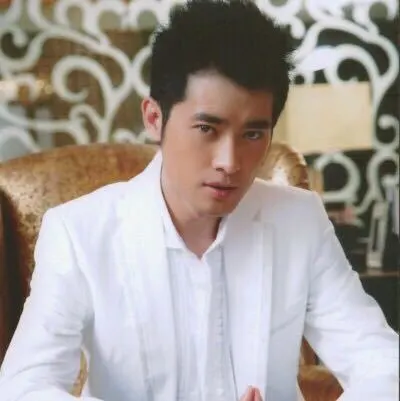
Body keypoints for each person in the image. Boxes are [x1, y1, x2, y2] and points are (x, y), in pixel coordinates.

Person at [0, 1, 398, 400]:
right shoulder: (79, 233)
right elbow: (24, 386)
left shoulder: (299, 220)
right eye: (207, 128)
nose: (230, 162)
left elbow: (383, 363)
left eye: (253, 134)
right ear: (154, 118)